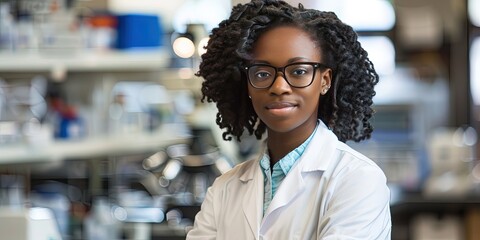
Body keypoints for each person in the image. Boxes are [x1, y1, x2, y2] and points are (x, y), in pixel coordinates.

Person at [186, 0, 391, 239]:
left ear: (324, 80)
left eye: (299, 71)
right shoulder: (225, 189)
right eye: (262, 73)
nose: (279, 87)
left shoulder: (357, 179)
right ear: (248, 84)